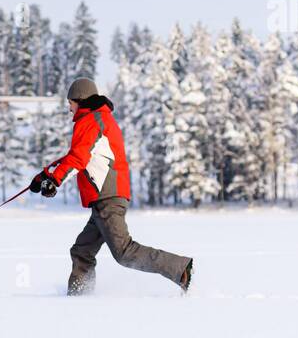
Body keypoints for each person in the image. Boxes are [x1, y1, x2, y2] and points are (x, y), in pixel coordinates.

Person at [30, 78, 194, 295]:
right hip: (105, 197)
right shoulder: (97, 118)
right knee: (82, 251)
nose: (69, 108)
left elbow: (78, 157)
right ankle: (79, 297)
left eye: (70, 102)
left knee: (124, 252)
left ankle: (179, 268)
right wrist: (46, 175)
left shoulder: (91, 120)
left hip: (107, 196)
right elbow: (77, 155)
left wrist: (55, 181)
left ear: (80, 99)